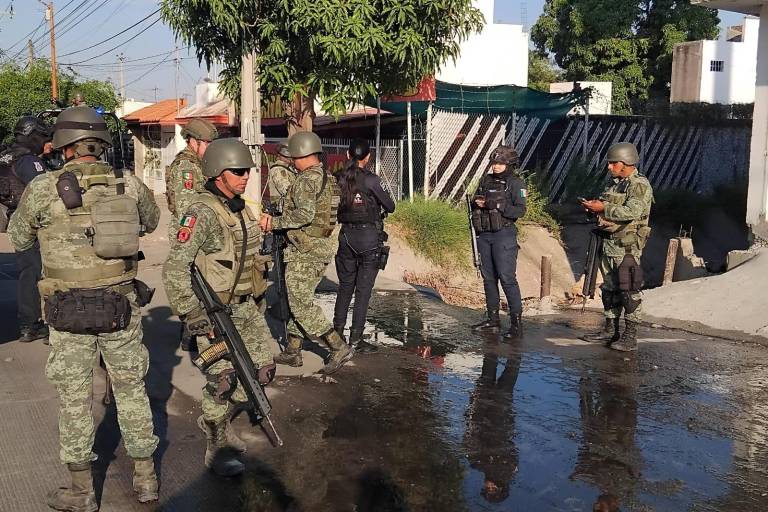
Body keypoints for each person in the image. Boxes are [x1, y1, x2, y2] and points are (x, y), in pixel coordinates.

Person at [8, 106, 160, 510]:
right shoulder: (127, 184)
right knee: (131, 391)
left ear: (63, 145)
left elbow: (19, 237)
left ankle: (81, 491)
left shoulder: (43, 187)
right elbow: (151, 222)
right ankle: (146, 480)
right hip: (119, 307)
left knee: (74, 399)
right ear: (103, 143)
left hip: (66, 311)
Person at [162, 138, 275, 477]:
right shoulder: (201, 213)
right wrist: (192, 314)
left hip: (246, 308)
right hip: (212, 314)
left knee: (261, 372)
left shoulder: (240, 208)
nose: (244, 177)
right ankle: (217, 445)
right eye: (237, 172)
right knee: (222, 379)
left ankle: (217, 419)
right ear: (216, 172)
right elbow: (175, 268)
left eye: (247, 172)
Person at [260, 131, 352, 374]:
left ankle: (337, 345)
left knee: (300, 302)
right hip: (319, 246)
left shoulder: (305, 180)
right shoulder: (326, 177)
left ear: (301, 154)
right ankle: (293, 349)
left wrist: (273, 223)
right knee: (297, 296)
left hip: (306, 249)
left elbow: (303, 215)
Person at [580, 142, 653, 352]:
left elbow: (632, 212)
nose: (610, 167)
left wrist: (604, 207)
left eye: (613, 163)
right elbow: (606, 206)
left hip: (627, 247)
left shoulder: (639, 185)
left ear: (626, 163)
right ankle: (610, 329)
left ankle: (630, 336)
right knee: (609, 289)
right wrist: (593, 208)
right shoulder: (615, 184)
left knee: (629, 290)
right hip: (609, 244)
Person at [332, 139, 395, 352]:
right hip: (368, 239)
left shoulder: (338, 178)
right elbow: (390, 206)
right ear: (368, 158)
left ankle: (336, 335)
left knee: (345, 287)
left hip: (346, 237)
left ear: (348, 154)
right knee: (363, 291)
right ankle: (356, 340)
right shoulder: (371, 180)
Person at [164, 118, 218, 352]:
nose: (210, 148)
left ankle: (191, 335)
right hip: (189, 233)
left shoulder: (198, 163)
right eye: (207, 143)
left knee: (198, 286)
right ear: (193, 142)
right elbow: (188, 206)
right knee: (194, 287)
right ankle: (192, 337)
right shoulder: (187, 167)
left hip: (196, 230)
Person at [0, 116, 53, 343]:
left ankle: (28, 325)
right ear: (32, 136)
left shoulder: (6, 156)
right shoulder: (29, 162)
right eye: (43, 137)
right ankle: (41, 325)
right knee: (44, 274)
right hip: (35, 224)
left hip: (16, 221)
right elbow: (46, 191)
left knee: (27, 273)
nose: (46, 142)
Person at [469, 145, 527, 339]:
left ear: (510, 164)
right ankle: (493, 320)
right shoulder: (486, 180)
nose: (496, 166)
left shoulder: (517, 184)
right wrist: (476, 201)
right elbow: (476, 199)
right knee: (488, 278)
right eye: (494, 163)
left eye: (500, 163)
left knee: (507, 278)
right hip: (485, 234)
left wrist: (497, 205)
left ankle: (516, 325)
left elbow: (520, 211)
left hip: (504, 234)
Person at [267, 142, 296, 211]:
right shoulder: (278, 170)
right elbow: (286, 190)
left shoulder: (289, 168)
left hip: (287, 209)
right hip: (281, 210)